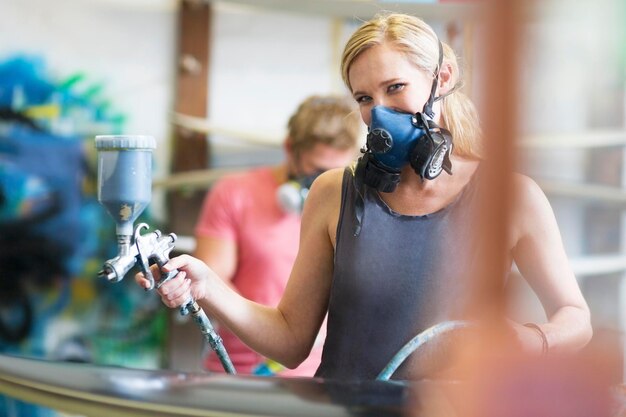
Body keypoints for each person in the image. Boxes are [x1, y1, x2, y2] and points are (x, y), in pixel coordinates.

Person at [138, 13, 592, 381]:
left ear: (443, 77)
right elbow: (292, 340)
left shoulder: (509, 197)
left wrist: (529, 340)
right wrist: (208, 286)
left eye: (395, 88)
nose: (379, 113)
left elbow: (576, 318)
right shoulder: (334, 192)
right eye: (363, 98)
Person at [192, 95, 361, 376]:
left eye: (335, 172)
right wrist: (270, 334)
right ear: (289, 148)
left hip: (321, 379)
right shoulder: (234, 194)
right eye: (317, 171)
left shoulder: (352, 206)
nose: (324, 183)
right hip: (240, 372)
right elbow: (211, 281)